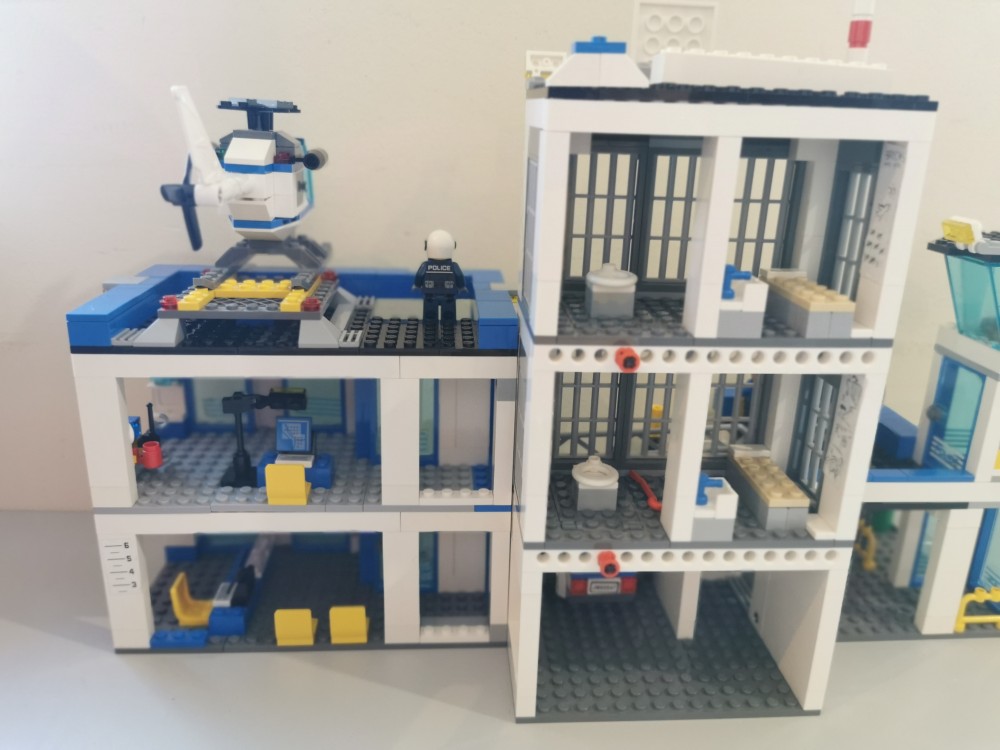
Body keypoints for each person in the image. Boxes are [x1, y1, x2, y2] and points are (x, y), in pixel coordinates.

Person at [413, 229, 465, 326]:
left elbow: (419, 276)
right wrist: (462, 287)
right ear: (453, 246)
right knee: (448, 314)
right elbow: (459, 276)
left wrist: (417, 285)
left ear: (427, 246)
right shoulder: (453, 266)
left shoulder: (426, 266)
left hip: (430, 296)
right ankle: (448, 323)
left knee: (430, 314)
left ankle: (430, 323)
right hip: (449, 296)